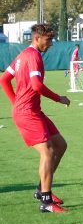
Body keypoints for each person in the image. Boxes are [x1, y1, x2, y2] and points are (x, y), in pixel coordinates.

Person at [0, 23, 71, 213]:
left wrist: (15, 102)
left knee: (60, 145)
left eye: (52, 40)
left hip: (32, 110)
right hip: (27, 113)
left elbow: (4, 79)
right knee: (48, 152)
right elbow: (37, 85)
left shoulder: (23, 55)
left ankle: (42, 190)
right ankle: (46, 202)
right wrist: (59, 98)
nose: (51, 44)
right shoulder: (33, 56)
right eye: (48, 40)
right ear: (37, 38)